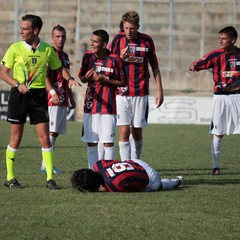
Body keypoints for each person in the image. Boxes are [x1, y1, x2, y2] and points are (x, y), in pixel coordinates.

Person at [0, 14, 80, 189]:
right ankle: (10, 178)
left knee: (45, 138)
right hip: (19, 96)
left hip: (38, 97)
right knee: (16, 138)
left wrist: (70, 79)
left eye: (25, 28)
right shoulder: (15, 48)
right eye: (21, 28)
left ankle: (50, 179)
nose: (21, 31)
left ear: (35, 31)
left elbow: (60, 69)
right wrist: (18, 84)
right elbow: (3, 72)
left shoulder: (47, 50)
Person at [109, 11, 164, 161]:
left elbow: (155, 66)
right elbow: (109, 64)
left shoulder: (147, 41)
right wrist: (120, 58)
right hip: (121, 93)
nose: (128, 32)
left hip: (141, 93)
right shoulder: (117, 40)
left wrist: (160, 90)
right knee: (124, 131)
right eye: (126, 28)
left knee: (137, 132)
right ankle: (127, 164)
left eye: (132, 28)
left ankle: (135, 162)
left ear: (138, 27)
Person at [189, 26, 240, 175]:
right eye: (220, 38)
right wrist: (193, 66)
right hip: (220, 98)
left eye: (223, 38)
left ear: (233, 39)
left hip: (238, 97)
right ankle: (215, 166)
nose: (220, 41)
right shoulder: (215, 55)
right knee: (218, 132)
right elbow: (196, 64)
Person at [78, 29, 126, 169]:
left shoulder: (115, 59)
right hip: (90, 106)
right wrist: (87, 78)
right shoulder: (87, 57)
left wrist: (104, 80)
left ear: (104, 44)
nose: (91, 44)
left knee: (108, 143)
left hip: (108, 108)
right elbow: (82, 78)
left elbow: (123, 82)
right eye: (91, 40)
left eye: (95, 42)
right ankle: (93, 174)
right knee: (91, 142)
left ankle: (108, 174)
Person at [39, 24, 76, 174]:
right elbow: (45, 76)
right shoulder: (49, 53)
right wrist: (53, 93)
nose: (60, 39)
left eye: (63, 36)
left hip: (62, 98)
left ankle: (47, 164)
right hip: (51, 99)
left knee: (55, 133)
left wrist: (71, 98)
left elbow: (66, 78)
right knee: (51, 132)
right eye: (57, 36)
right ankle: (45, 165)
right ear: (52, 37)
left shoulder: (65, 56)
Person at [71, 159, 184, 192]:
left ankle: (176, 181)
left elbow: (138, 186)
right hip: (137, 162)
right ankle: (177, 180)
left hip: (151, 177)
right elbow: (117, 162)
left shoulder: (114, 186)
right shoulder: (98, 164)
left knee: (155, 187)